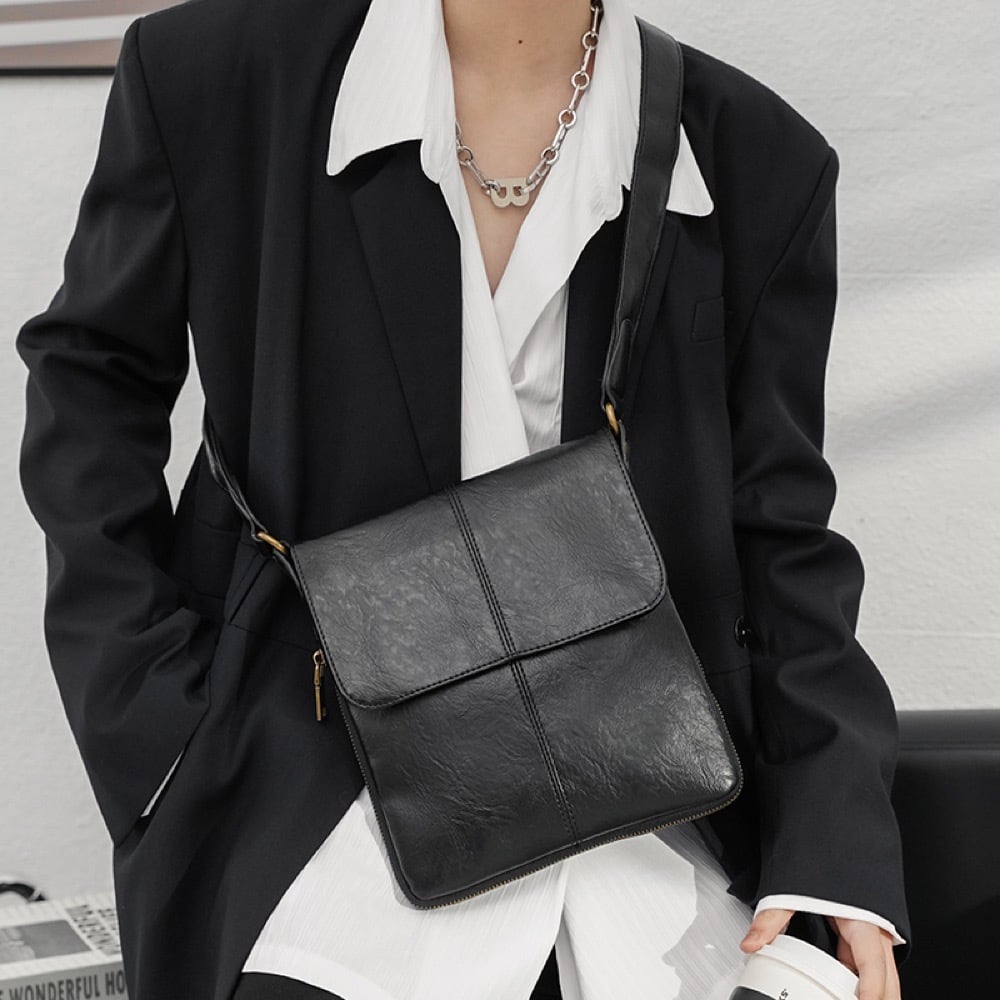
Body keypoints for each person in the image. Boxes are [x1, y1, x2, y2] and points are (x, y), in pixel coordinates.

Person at [15, 0, 909, 998]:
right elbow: (90, 384)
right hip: (304, 800)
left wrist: (834, 845)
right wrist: (152, 728)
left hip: (649, 822)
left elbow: (778, 535)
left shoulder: (758, 159)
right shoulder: (213, 78)